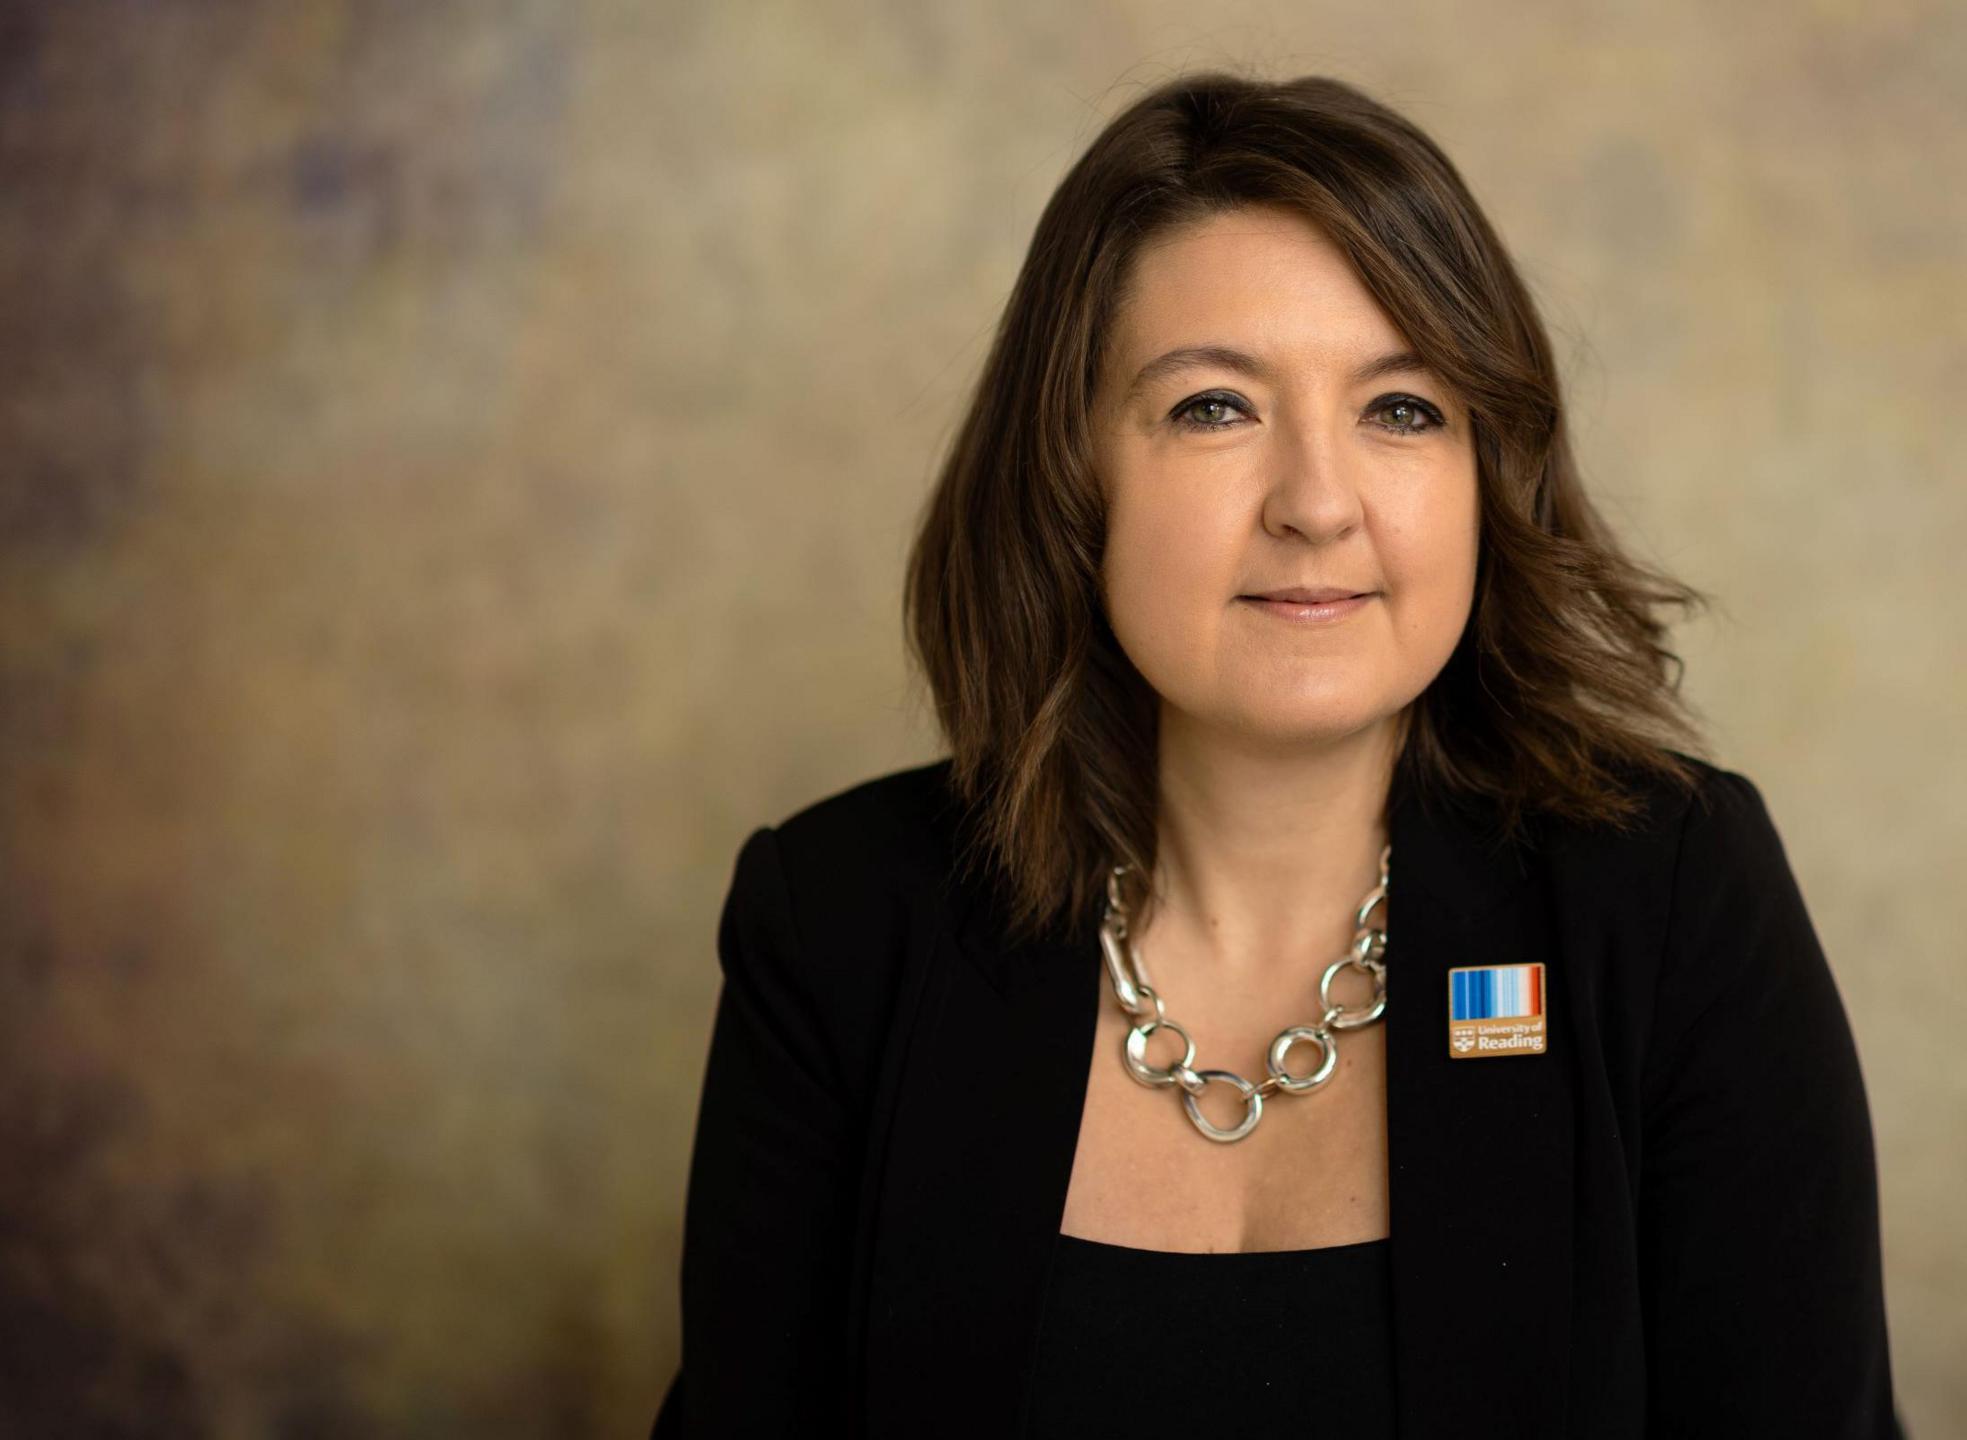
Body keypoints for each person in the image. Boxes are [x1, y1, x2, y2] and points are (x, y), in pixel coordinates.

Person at [653, 70, 1904, 1438]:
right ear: (1071, 477)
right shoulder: (836, 923)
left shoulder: (1670, 903)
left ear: (1487, 468)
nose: (1317, 503)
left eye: (1404, 408)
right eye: (1213, 408)